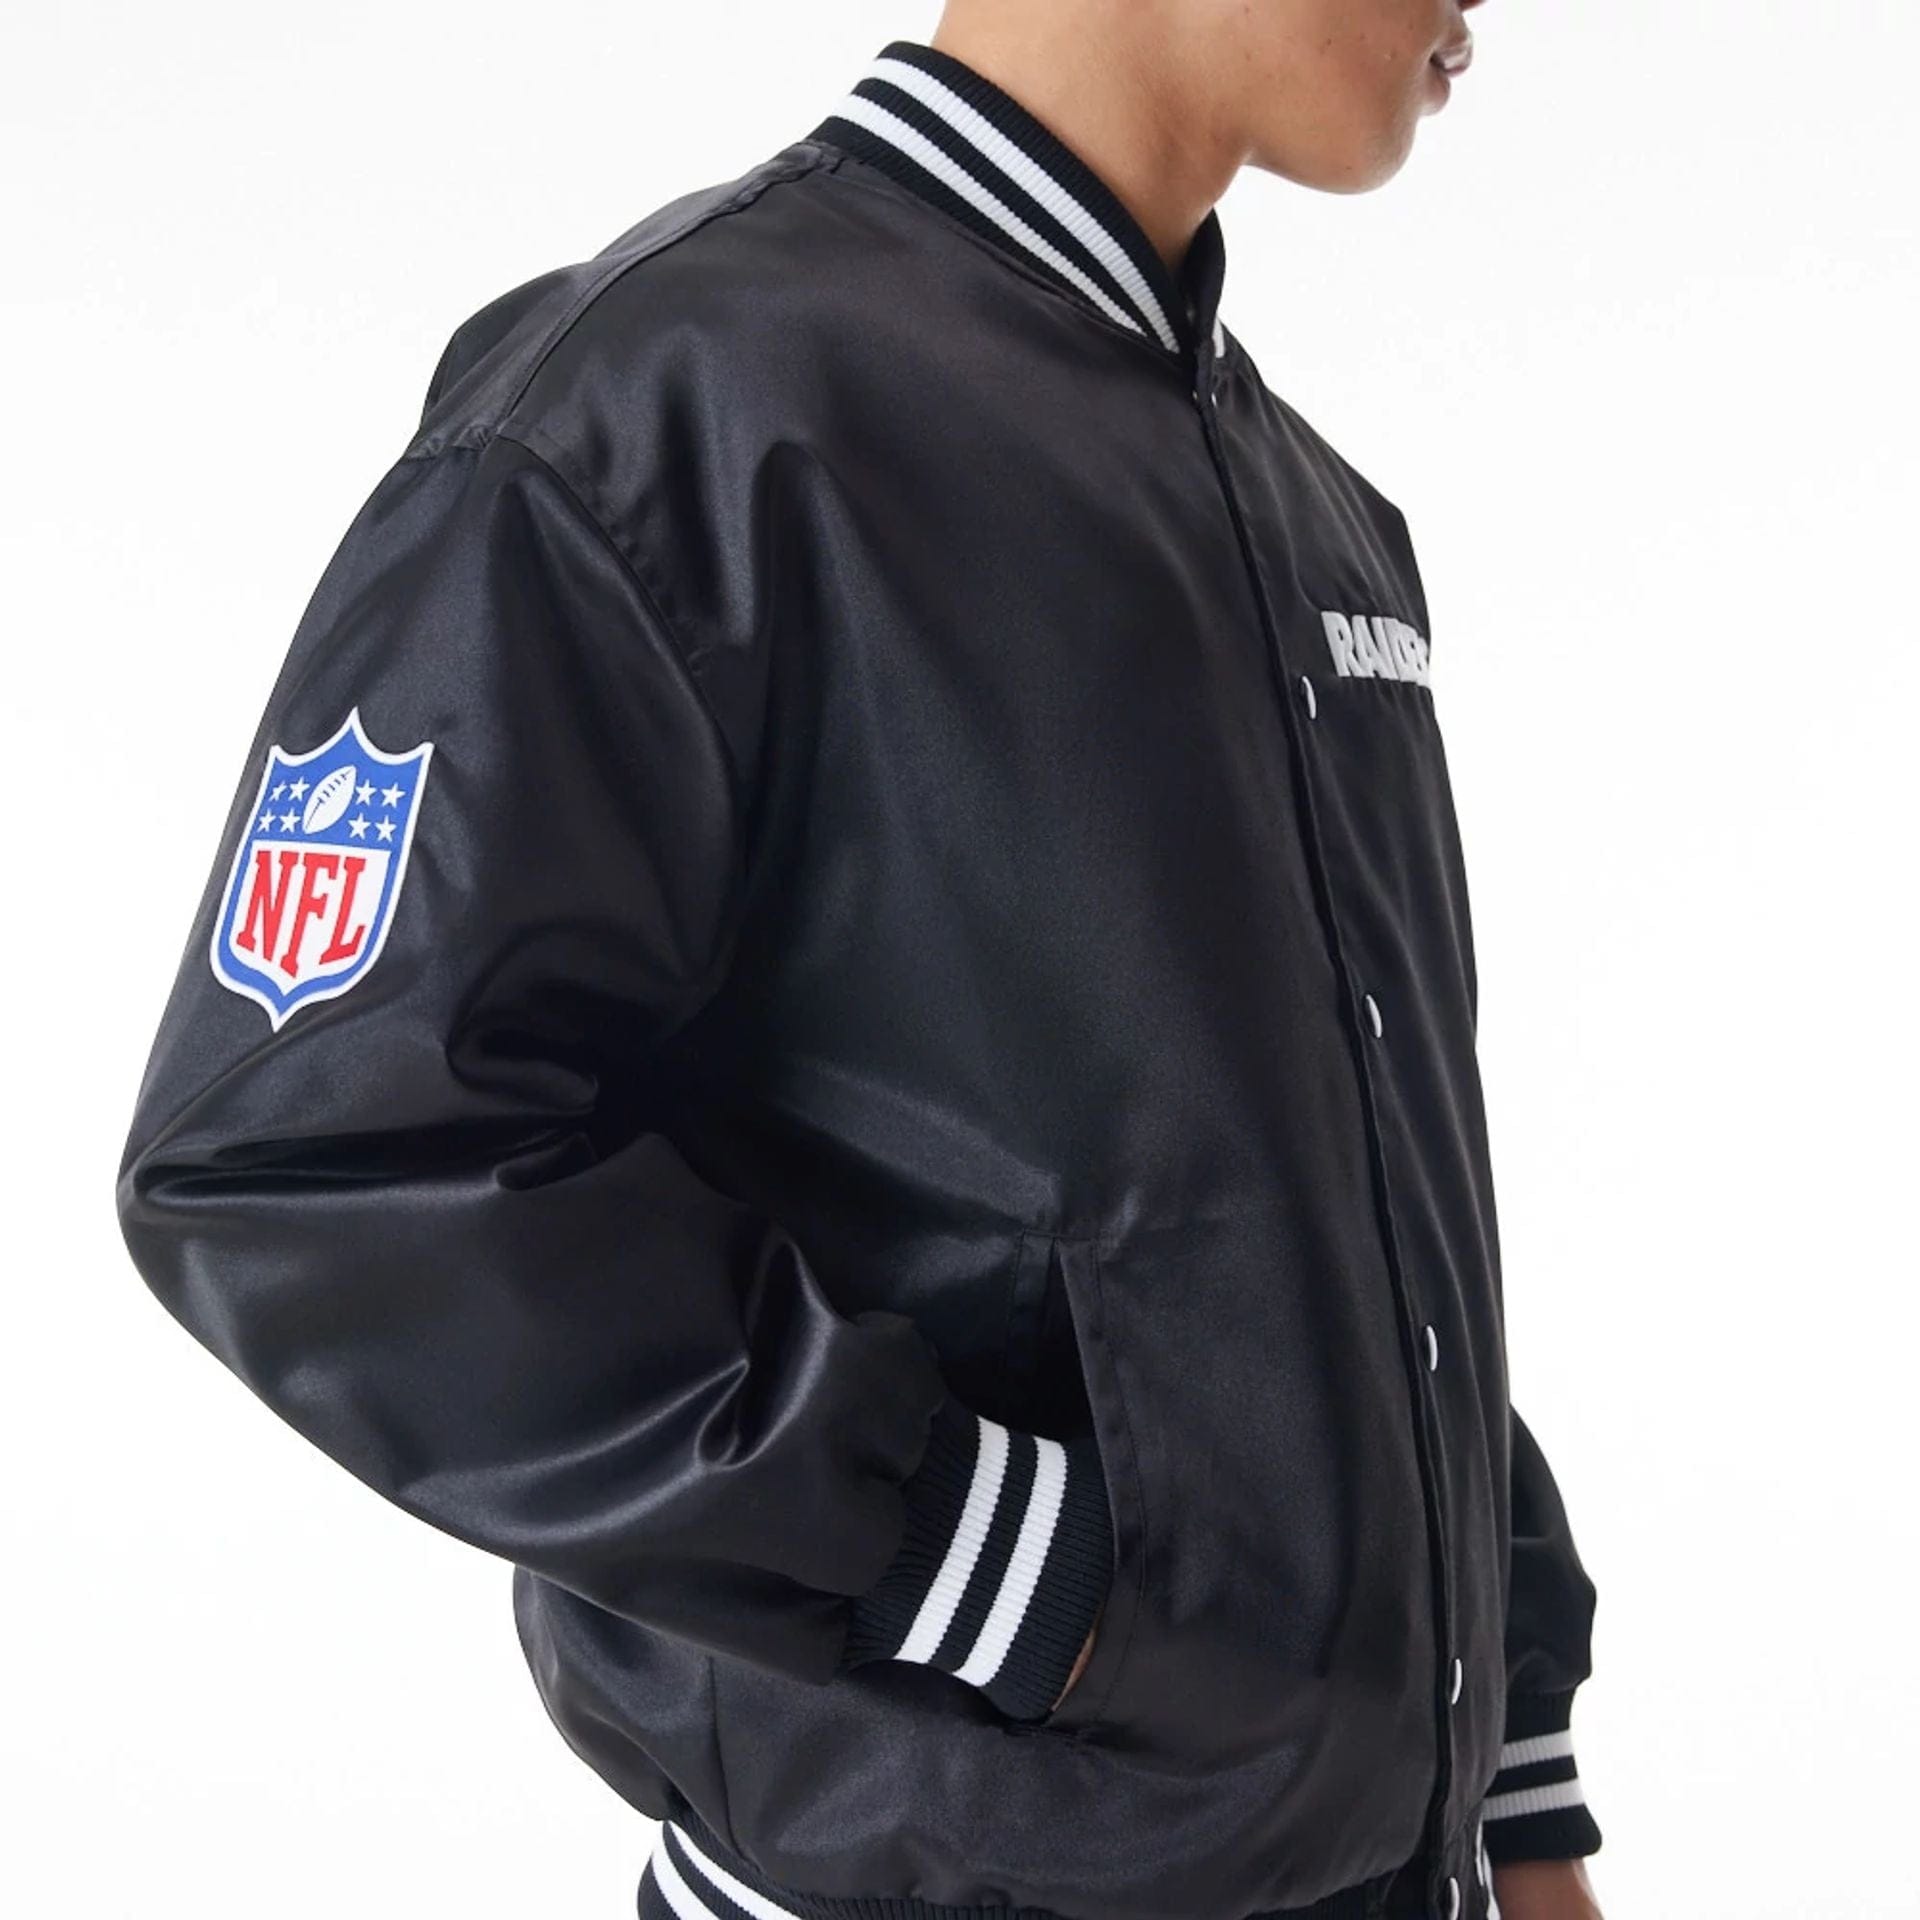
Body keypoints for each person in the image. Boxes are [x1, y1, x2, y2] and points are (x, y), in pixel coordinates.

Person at [116, 3, 1608, 1917]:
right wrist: (985, 1560)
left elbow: (1371, 1223)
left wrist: (1516, 1790)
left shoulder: (1318, 516)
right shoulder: (663, 412)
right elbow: (305, 1160)